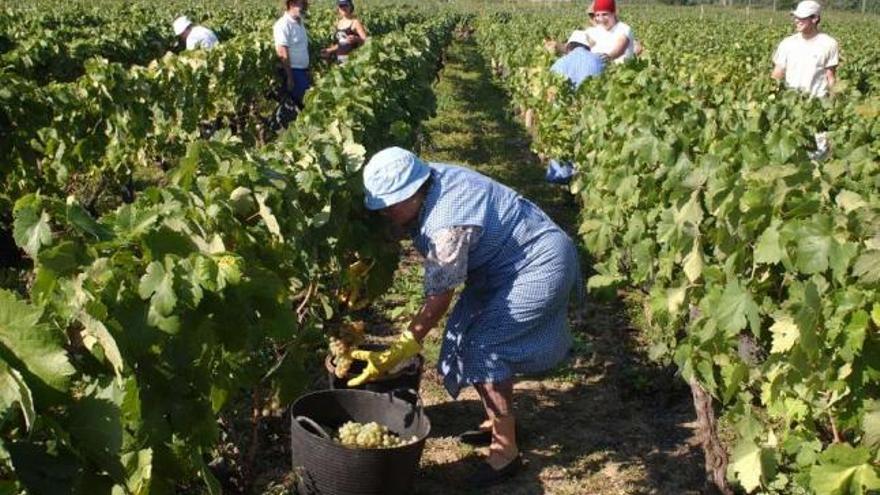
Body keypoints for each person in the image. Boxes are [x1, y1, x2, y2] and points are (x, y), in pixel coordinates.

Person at [350, 147, 580, 487]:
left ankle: (506, 453)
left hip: (539, 266)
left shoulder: (447, 227)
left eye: (389, 205)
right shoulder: (430, 177)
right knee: (464, 337)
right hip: (508, 262)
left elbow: (439, 299)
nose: (383, 212)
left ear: (412, 193)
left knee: (484, 348)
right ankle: (500, 422)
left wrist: (405, 343)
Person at [546, 30, 605, 184]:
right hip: (592, 116)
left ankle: (561, 183)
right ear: (587, 46)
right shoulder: (598, 61)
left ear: (569, 46)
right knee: (587, 152)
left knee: (563, 148)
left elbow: (551, 96)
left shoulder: (559, 63)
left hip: (565, 115)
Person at [771, 0, 839, 99]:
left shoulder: (829, 44)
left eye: (801, 17)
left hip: (817, 101)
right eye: (796, 17)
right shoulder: (787, 43)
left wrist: (834, 101)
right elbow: (778, 73)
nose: (796, 20)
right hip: (792, 100)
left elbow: (830, 77)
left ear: (815, 18)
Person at [274, 0, 311, 111]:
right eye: (300, 4)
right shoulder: (283, 24)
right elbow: (282, 51)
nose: (302, 7)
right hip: (293, 71)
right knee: (304, 102)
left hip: (302, 70)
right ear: (291, 4)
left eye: (303, 4)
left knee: (303, 104)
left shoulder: (300, 23)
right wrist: (290, 77)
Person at [584, 0, 635, 64]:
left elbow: (619, 49)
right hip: (597, 70)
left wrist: (608, 57)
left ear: (614, 13)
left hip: (620, 70)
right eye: (597, 15)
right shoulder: (593, 30)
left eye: (605, 14)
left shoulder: (624, 29)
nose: (601, 19)